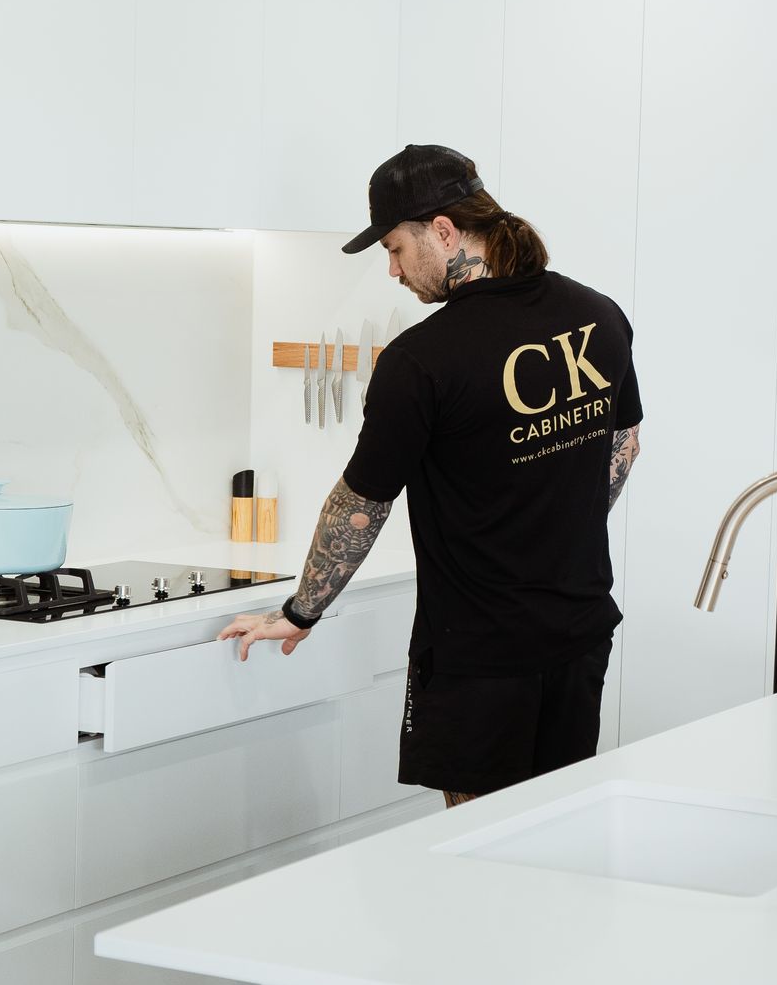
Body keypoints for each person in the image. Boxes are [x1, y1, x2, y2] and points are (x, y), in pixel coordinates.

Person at [219, 143, 642, 805]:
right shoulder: (599, 315)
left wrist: (300, 613)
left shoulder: (422, 361)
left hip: (478, 656)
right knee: (556, 839)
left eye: (394, 247)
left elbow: (360, 507)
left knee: (477, 859)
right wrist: (558, 520)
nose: (391, 270)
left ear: (444, 231)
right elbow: (623, 445)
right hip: (580, 634)